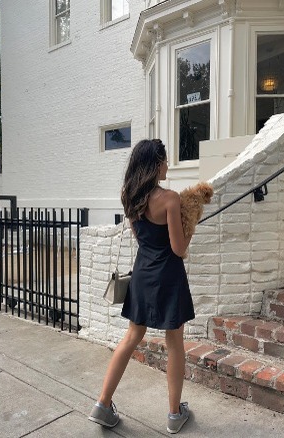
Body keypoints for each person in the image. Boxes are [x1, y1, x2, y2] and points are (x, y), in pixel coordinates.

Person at [88, 139, 195, 434]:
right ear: (154, 163)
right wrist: (189, 228)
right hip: (169, 277)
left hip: (143, 273)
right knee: (174, 343)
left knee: (132, 336)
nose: (167, 165)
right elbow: (178, 249)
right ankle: (174, 414)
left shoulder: (129, 196)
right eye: (164, 160)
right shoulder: (171, 199)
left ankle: (102, 403)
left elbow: (142, 239)